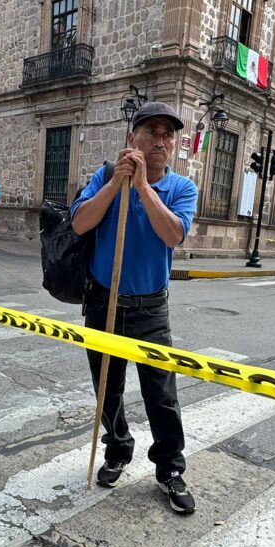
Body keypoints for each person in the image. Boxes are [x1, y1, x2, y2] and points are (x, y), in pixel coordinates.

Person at [71, 102, 197, 514]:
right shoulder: (105, 176)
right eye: (152, 131)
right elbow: (79, 223)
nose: (160, 140)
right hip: (103, 303)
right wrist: (115, 185)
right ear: (132, 139)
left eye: (168, 134)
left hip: (150, 309)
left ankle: (169, 468)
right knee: (107, 389)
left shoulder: (182, 188)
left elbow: (173, 234)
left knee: (161, 394)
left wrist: (143, 187)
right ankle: (117, 449)